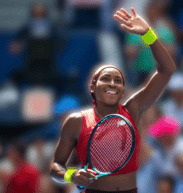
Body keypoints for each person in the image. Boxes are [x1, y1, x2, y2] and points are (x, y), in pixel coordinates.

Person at [50, 7, 176, 193]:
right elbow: (55, 167)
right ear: (92, 87)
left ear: (123, 89)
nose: (112, 83)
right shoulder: (76, 121)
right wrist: (71, 175)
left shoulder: (133, 108)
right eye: (105, 79)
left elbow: (167, 70)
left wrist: (148, 34)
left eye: (118, 80)